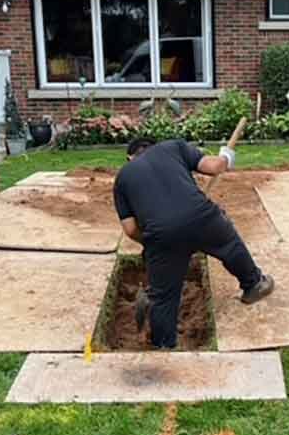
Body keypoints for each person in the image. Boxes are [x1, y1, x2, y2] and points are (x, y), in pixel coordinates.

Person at [113, 137, 274, 349]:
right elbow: (214, 166)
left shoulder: (122, 178)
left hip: (162, 236)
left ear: (129, 158)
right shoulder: (172, 147)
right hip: (202, 218)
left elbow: (131, 229)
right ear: (154, 146)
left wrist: (151, 243)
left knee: (163, 297)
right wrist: (226, 156)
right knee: (229, 244)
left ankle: (164, 345)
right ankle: (254, 285)